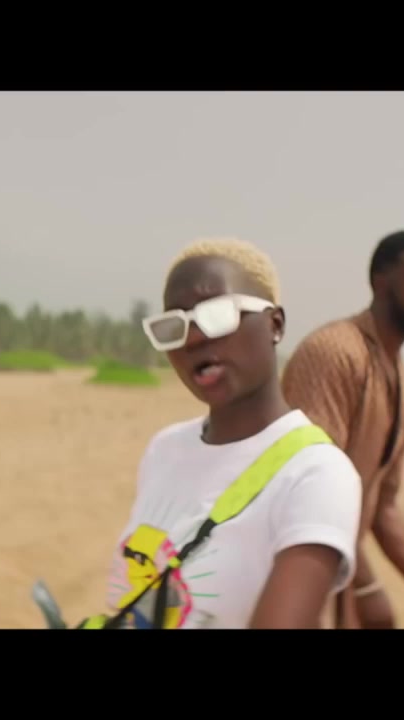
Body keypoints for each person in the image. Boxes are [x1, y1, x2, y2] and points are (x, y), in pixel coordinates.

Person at [80, 237, 363, 629]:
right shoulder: (164, 450)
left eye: (218, 315)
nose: (194, 338)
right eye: (174, 327)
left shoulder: (316, 474)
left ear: (275, 325)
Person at [281, 229, 404, 630]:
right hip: (290, 574)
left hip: (334, 566)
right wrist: (366, 586)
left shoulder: (401, 384)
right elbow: (307, 494)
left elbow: (382, 507)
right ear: (379, 281)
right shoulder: (335, 354)